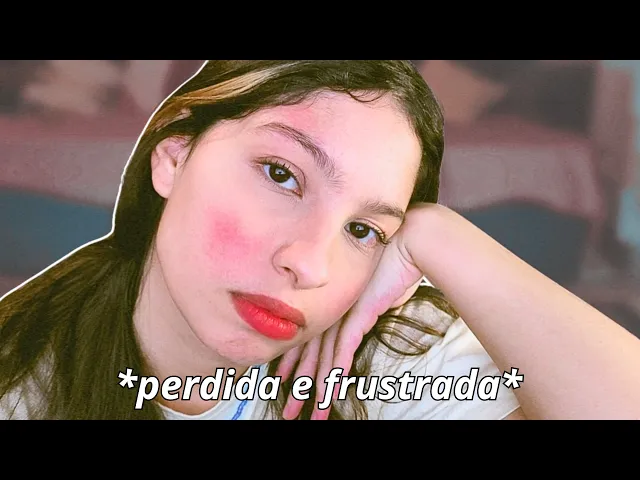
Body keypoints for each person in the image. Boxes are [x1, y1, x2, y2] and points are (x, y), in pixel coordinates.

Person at [1, 60, 639, 420]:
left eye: (363, 230)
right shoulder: (21, 378)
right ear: (173, 157)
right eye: (281, 175)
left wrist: (439, 235)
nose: (310, 264)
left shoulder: (391, 359)